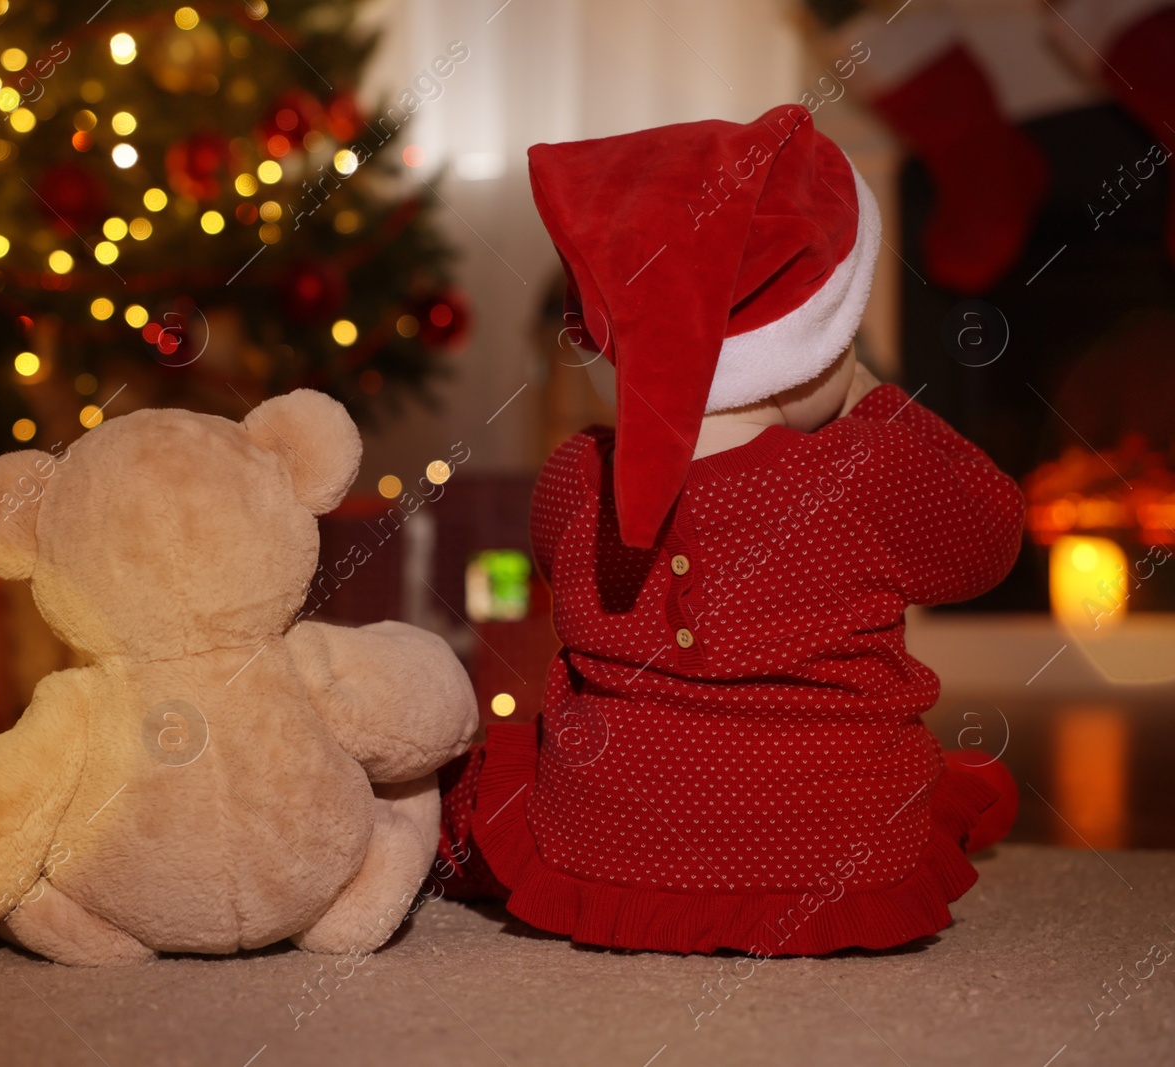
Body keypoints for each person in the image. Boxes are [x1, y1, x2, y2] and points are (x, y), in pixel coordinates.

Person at [435, 105, 1024, 956]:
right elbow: (989, 542)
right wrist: (873, 403)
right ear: (810, 348)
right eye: (846, 338)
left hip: (616, 844)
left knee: (503, 770)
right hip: (835, 853)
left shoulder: (575, 476)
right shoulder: (868, 473)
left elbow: (559, 565)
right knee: (911, 787)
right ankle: (946, 795)